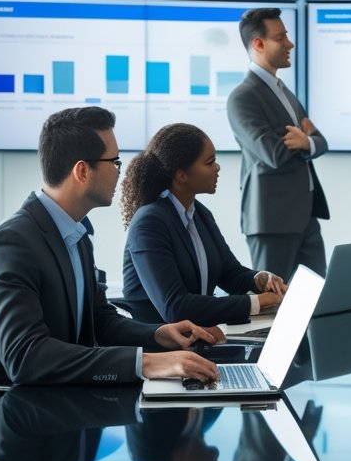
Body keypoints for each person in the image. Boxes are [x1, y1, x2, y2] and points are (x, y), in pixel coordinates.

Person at [0, 106, 220, 387]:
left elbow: (97, 319)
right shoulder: (10, 246)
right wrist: (146, 363)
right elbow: (25, 358)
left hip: (61, 395)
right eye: (115, 162)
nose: (120, 172)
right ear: (82, 171)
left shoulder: (75, 231)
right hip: (6, 409)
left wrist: (158, 334)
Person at [119, 122, 287, 327]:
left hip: (196, 339)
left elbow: (231, 274)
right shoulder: (149, 222)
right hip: (159, 350)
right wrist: (255, 303)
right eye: (209, 162)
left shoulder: (200, 214)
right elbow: (175, 308)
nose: (217, 167)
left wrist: (259, 279)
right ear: (181, 175)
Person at [227, 7, 330, 280]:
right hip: (271, 221)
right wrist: (306, 139)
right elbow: (270, 152)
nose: (290, 43)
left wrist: (305, 141)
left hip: (306, 217)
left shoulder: (284, 91)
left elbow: (320, 141)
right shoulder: (243, 97)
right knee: (273, 309)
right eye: (281, 37)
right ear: (258, 44)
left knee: (317, 299)